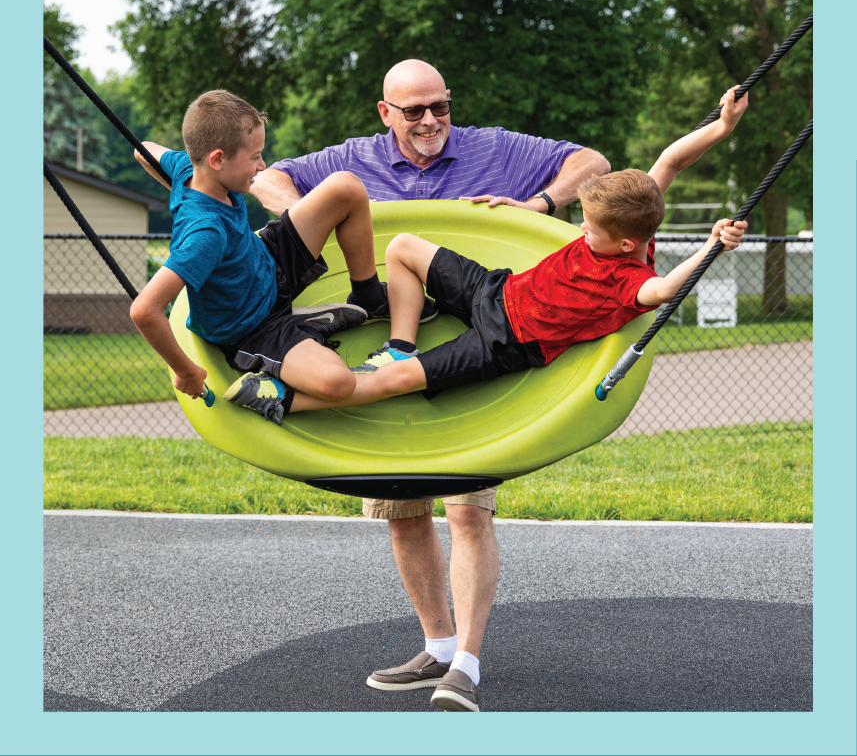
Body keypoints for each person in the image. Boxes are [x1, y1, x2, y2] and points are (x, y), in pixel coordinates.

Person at [244, 79, 749, 711]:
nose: (578, 233)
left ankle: (284, 398)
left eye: (587, 229)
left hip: (504, 345)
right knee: (401, 250)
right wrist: (720, 127)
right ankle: (400, 340)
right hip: (495, 289)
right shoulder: (626, 224)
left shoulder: (636, 280)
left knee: (407, 406)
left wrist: (712, 245)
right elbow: (668, 163)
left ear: (625, 243)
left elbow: (672, 287)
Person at [129, 89, 405, 417]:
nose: (262, 166)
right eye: (255, 156)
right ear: (217, 159)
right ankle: (270, 392)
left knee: (345, 187)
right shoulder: (205, 234)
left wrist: (182, 190)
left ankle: (368, 297)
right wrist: (185, 370)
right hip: (255, 324)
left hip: (267, 260)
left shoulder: (187, 169)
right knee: (337, 383)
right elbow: (144, 310)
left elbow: (143, 151)